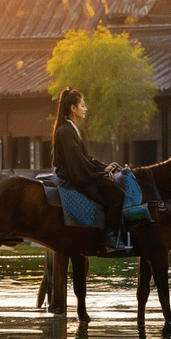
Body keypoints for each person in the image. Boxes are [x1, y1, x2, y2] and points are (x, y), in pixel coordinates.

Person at [52, 88, 126, 251]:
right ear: (73, 108)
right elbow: (77, 161)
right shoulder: (65, 130)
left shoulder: (69, 128)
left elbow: (83, 158)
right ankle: (110, 239)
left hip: (78, 171)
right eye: (83, 106)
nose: (86, 109)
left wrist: (102, 167)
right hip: (74, 177)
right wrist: (99, 172)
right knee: (117, 195)